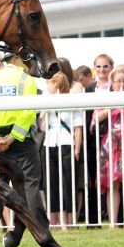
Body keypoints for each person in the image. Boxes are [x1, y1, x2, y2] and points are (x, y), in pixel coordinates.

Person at [0, 53, 49, 243]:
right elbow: (28, 112)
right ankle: (41, 229)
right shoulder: (26, 79)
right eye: (27, 60)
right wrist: (12, 137)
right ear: (17, 59)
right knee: (30, 184)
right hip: (20, 140)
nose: (30, 63)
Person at [94, 68, 124, 228]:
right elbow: (96, 117)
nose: (121, 84)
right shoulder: (107, 97)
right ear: (112, 83)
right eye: (118, 81)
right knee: (112, 184)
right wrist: (113, 106)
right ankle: (113, 223)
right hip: (110, 145)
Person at [40, 73, 83, 230]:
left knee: (68, 183)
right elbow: (43, 127)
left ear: (57, 85)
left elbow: (78, 128)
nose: (47, 87)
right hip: (49, 143)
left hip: (66, 143)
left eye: (50, 84)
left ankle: (70, 221)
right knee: (50, 183)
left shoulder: (70, 100)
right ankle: (54, 220)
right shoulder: (47, 101)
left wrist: (77, 149)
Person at [83, 53, 114, 225]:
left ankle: (115, 216)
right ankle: (94, 218)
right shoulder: (88, 89)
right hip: (93, 139)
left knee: (113, 178)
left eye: (105, 66)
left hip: (113, 139)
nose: (102, 70)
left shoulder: (116, 87)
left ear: (111, 68)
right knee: (93, 178)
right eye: (99, 66)